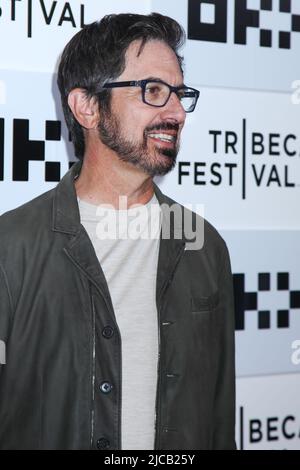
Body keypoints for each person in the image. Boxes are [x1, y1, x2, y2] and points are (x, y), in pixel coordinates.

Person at [0, 13, 235, 450]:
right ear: (87, 106)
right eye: (153, 90)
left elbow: (220, 422)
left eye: (180, 94)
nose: (177, 111)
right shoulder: (10, 249)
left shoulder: (204, 247)